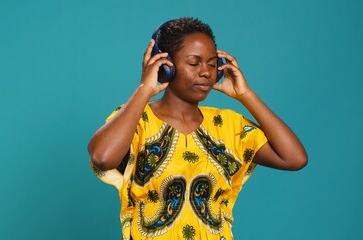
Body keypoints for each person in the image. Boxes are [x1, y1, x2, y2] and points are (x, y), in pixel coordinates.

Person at [88, 17, 307, 240]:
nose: (206, 72)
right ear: (165, 66)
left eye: (212, 64)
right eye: (194, 63)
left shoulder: (229, 125)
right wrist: (144, 89)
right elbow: (103, 157)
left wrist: (246, 96)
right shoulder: (136, 119)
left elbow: (293, 158)